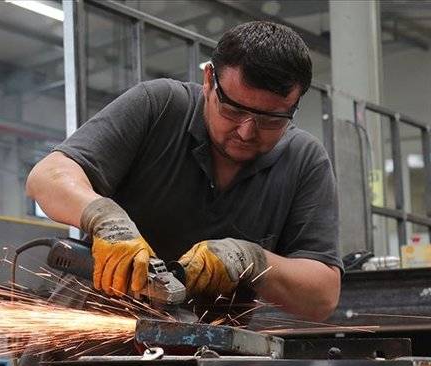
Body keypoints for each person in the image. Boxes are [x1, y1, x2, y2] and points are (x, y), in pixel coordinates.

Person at [26, 20, 342, 323]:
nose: (246, 132)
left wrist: (252, 260)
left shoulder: (304, 160)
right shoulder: (159, 106)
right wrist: (106, 219)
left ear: (295, 105)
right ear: (209, 81)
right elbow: (48, 176)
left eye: (271, 120)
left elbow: (323, 297)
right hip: (86, 334)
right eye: (232, 110)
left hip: (203, 357)